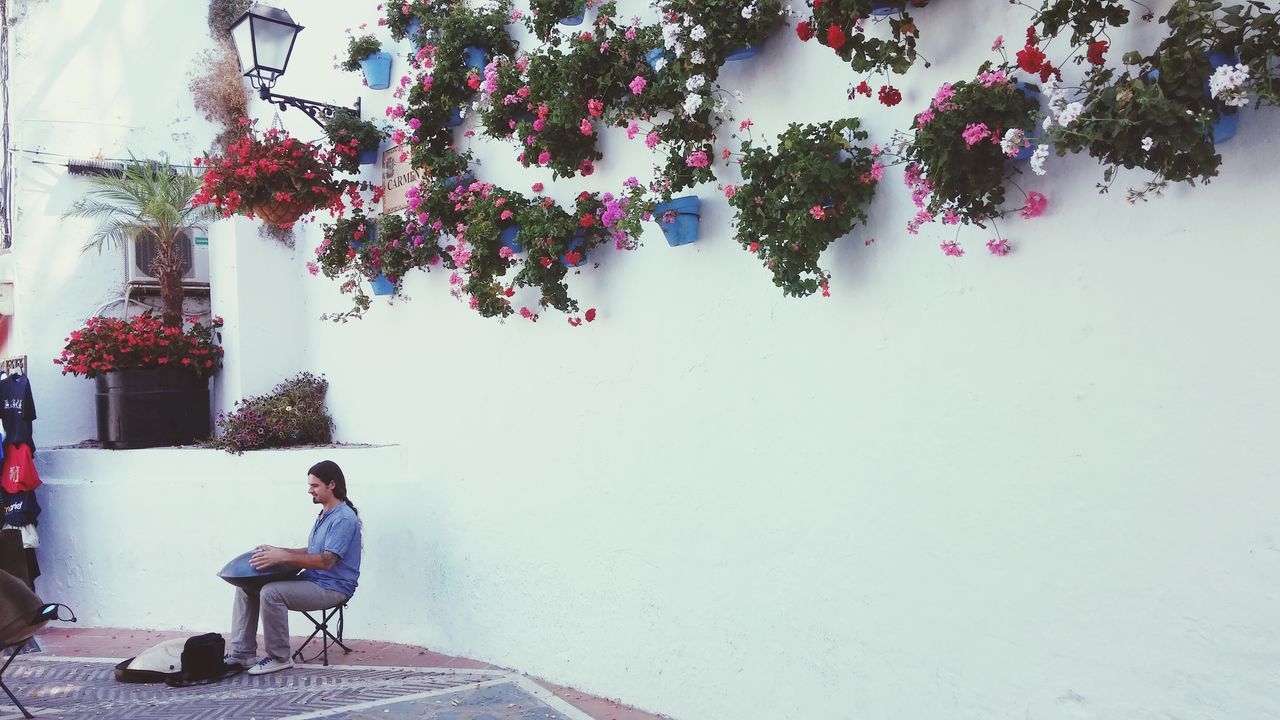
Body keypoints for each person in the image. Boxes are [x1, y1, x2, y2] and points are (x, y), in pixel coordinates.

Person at [227, 460, 362, 675]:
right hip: (314, 580)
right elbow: (312, 551)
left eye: (315, 485)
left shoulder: (344, 518)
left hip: (333, 587)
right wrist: (279, 550)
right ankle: (242, 654)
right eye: (310, 485)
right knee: (247, 587)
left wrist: (283, 558)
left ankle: (280, 657)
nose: (310, 490)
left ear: (332, 485)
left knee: (271, 593)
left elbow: (327, 561)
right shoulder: (325, 514)